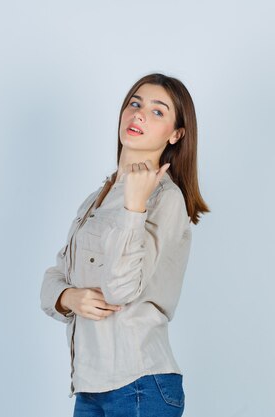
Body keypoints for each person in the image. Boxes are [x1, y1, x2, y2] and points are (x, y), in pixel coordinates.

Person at [40, 73, 209, 417]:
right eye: (135, 103)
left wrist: (135, 207)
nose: (139, 114)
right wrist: (67, 297)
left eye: (158, 111)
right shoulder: (97, 198)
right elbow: (53, 279)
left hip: (139, 385)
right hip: (90, 389)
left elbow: (120, 290)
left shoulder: (165, 199)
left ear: (176, 134)